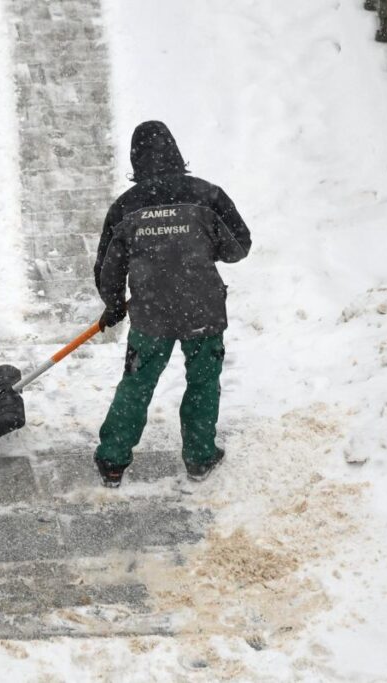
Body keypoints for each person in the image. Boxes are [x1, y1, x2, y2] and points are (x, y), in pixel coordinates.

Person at [93, 121, 251, 486]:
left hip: (152, 313)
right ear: (176, 152)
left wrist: (114, 304)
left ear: (136, 160)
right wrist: (200, 248)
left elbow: (108, 267)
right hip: (202, 309)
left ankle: (113, 460)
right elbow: (238, 246)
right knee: (203, 383)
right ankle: (200, 457)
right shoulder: (207, 195)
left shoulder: (125, 207)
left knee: (137, 384)